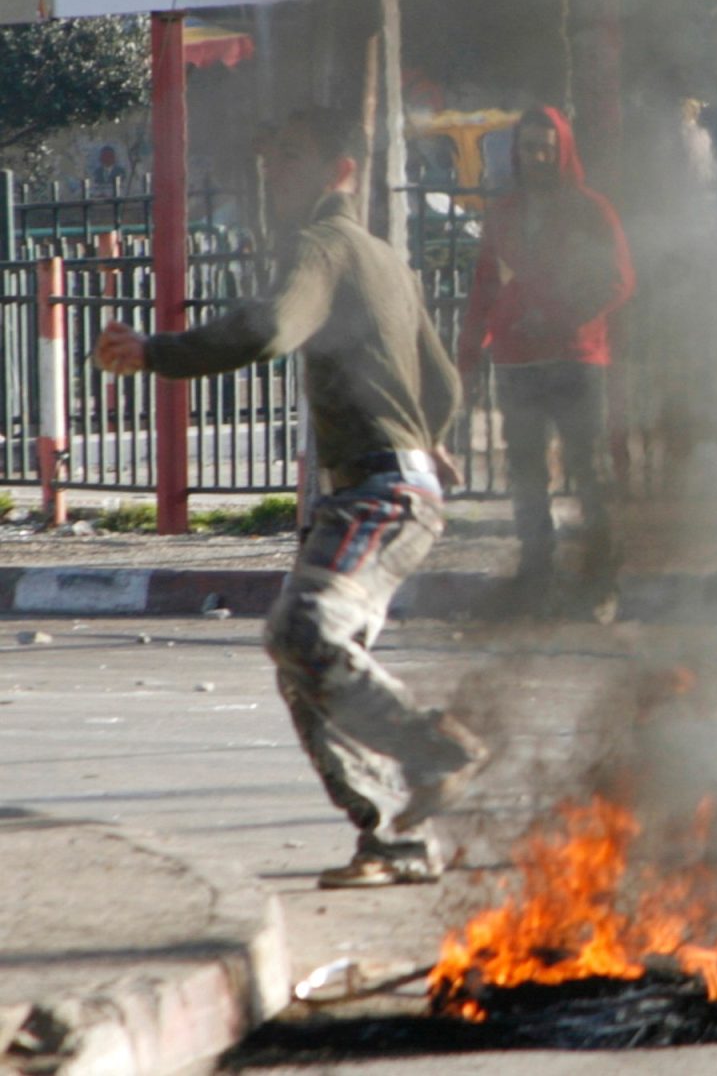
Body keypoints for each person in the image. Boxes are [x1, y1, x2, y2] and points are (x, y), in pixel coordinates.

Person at [92, 107, 488, 887]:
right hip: (387, 488)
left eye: (292, 156)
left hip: (377, 492)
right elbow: (442, 384)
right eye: (270, 155)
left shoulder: (324, 245)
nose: (274, 172)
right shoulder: (386, 259)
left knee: (304, 631)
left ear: (340, 171)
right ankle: (394, 840)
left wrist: (155, 351)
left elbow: (271, 327)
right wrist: (428, 438)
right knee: (305, 667)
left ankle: (435, 750)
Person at [459, 106, 635, 615]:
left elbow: (618, 280)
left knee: (589, 471)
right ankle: (536, 576)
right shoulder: (504, 213)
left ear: (562, 151)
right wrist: (468, 356)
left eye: (545, 148)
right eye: (528, 147)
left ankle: (601, 582)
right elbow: (485, 288)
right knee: (526, 475)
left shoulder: (590, 210)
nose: (536, 156)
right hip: (517, 362)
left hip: (576, 358)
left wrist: (559, 318)